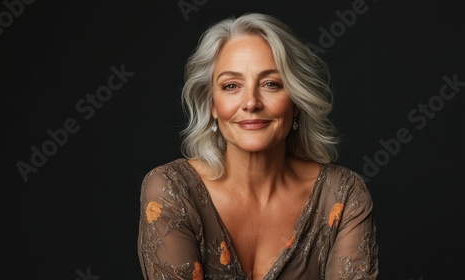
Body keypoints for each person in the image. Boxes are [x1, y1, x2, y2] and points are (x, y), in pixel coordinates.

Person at [137, 12, 378, 280]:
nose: (251, 102)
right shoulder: (171, 190)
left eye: (271, 84)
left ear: (296, 101)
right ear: (211, 105)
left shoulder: (343, 195)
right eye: (231, 86)